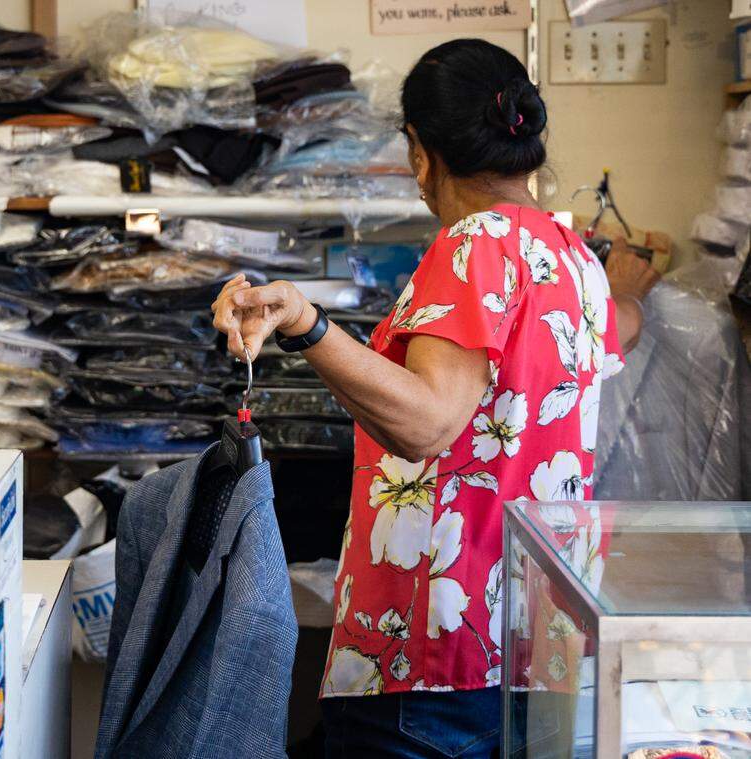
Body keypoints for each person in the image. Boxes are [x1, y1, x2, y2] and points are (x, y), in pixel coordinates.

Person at [210, 39, 660, 758]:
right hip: (534, 648)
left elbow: (426, 422)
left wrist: (306, 322)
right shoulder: (574, 260)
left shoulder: (472, 245)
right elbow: (621, 330)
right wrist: (635, 288)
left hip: (431, 658)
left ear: (420, 151)